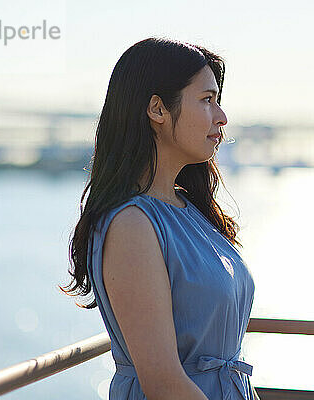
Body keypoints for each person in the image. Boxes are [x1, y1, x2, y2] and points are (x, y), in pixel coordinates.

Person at [60, 37, 258, 400]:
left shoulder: (191, 210)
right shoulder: (132, 226)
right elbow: (164, 383)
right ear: (157, 109)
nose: (222, 116)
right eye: (206, 100)